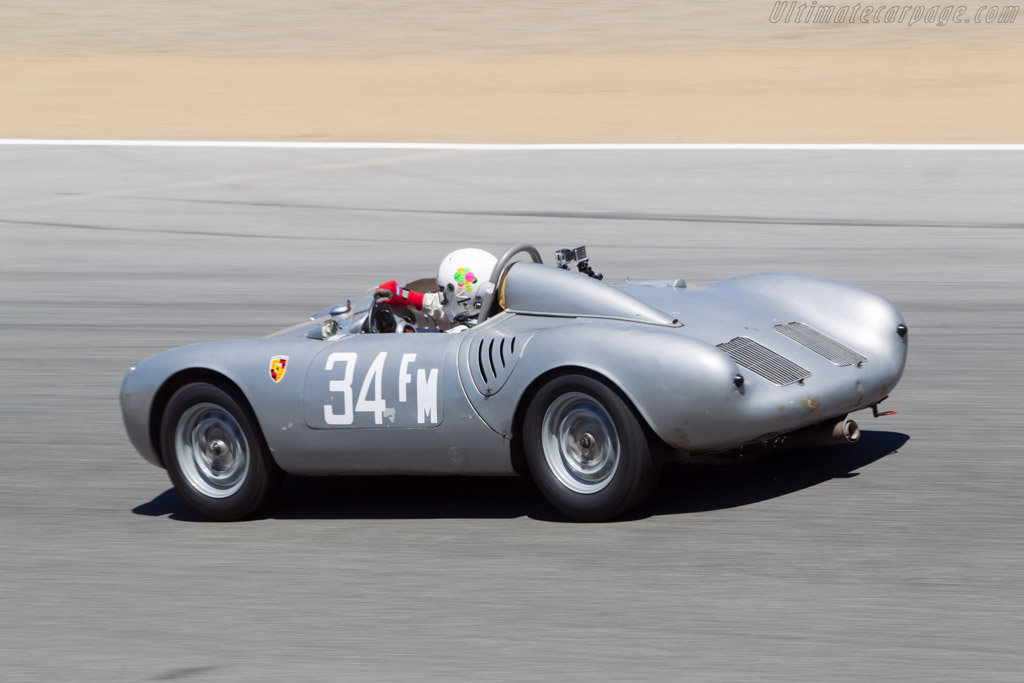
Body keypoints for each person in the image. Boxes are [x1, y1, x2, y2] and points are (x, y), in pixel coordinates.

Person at [375, 248, 498, 331]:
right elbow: (455, 306)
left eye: (444, 294)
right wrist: (407, 297)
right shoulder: (491, 309)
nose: (441, 297)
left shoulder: (462, 337)